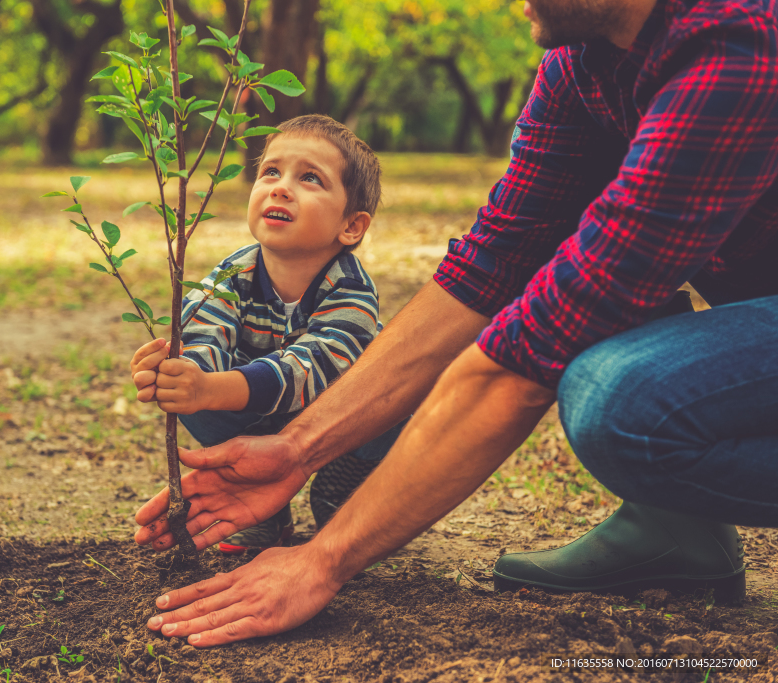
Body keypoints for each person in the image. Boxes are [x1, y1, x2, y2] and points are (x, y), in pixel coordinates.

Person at [132, 0, 778, 647]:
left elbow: (527, 359)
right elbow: (489, 269)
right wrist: (298, 447)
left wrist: (324, 557)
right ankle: (678, 530)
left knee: (619, 399)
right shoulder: (580, 63)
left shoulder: (737, 46)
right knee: (580, 266)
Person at [130, 115, 407, 554]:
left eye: (310, 178)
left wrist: (215, 386)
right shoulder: (233, 274)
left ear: (351, 226)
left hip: (336, 419)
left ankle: (348, 480)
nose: (280, 187)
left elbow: (312, 368)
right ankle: (264, 507)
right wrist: (183, 375)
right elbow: (204, 332)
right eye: (271, 172)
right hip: (254, 416)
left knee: (400, 401)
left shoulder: (352, 289)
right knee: (195, 399)